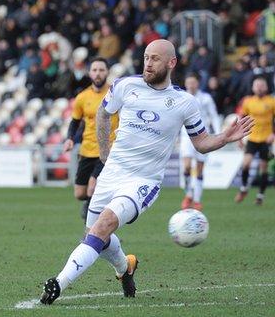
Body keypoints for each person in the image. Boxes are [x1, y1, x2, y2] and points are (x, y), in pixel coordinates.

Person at [40, 39, 253, 305]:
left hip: (143, 181)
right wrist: (105, 154)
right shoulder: (125, 86)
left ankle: (58, 284)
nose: (148, 64)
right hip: (112, 173)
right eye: (146, 57)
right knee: (94, 235)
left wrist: (224, 137)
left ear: (171, 63)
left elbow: (201, 143)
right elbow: (104, 114)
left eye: (155, 59)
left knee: (103, 226)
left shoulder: (184, 103)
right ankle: (125, 268)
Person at [63, 58, 119, 220]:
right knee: (80, 193)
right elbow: (75, 121)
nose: (98, 73)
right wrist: (70, 139)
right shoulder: (82, 97)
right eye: (94, 70)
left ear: (107, 72)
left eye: (101, 70)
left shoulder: (115, 94)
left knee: (92, 188)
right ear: (89, 73)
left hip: (108, 150)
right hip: (87, 150)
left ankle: (96, 232)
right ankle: (93, 209)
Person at [180, 74, 221, 211]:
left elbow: (214, 116)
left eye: (193, 82)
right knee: (186, 167)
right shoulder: (180, 97)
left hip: (204, 136)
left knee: (199, 169)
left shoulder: (206, 98)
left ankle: (197, 200)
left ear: (197, 83)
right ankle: (189, 195)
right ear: (185, 84)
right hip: (186, 136)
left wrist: (218, 134)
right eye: (188, 82)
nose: (191, 85)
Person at [234, 77, 275, 205]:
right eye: (257, 85)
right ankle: (244, 188)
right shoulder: (247, 101)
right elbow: (240, 120)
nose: (259, 87)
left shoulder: (272, 101)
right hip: (252, 138)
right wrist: (239, 137)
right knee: (246, 163)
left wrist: (273, 134)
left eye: (261, 85)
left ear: (266, 87)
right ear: (252, 87)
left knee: (264, 168)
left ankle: (260, 196)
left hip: (266, 139)